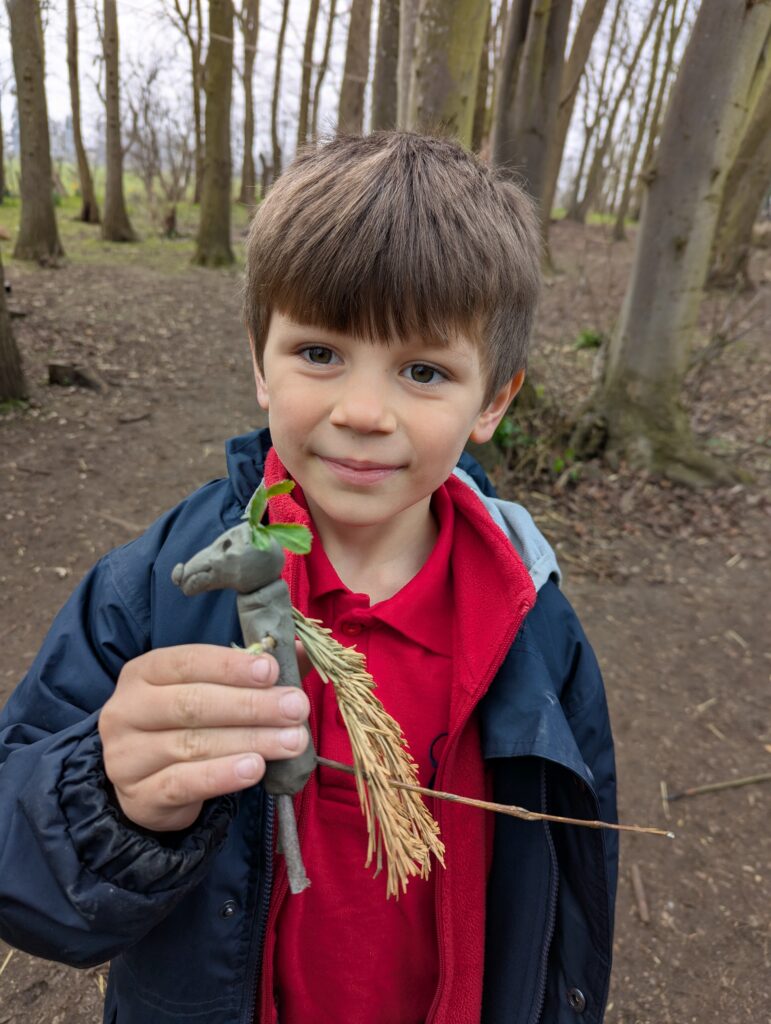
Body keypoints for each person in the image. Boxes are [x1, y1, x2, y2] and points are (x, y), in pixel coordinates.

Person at [0, 132, 617, 1024]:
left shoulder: (531, 622)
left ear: (493, 401)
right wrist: (110, 799)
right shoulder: (154, 594)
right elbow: (21, 857)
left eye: (423, 370)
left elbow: (572, 889)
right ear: (259, 362)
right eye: (320, 354)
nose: (362, 412)